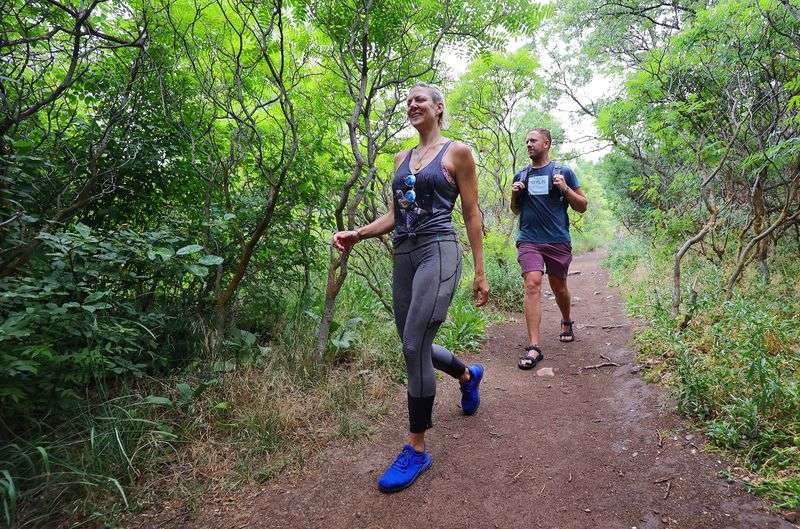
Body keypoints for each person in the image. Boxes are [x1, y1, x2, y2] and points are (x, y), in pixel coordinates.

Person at [333, 83, 490, 493]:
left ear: (438, 108)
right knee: (412, 341)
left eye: (420, 99)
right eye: (408, 101)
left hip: (439, 250)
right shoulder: (402, 158)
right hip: (404, 255)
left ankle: (416, 448)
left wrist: (479, 271)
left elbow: (472, 213)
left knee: (412, 346)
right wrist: (359, 233)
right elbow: (394, 213)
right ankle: (467, 374)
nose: (412, 105)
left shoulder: (457, 152)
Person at [510, 128, 587, 370]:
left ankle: (566, 320)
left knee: (558, 287)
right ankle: (534, 346)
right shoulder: (521, 175)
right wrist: (514, 196)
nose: (528, 144)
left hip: (557, 240)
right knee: (532, 282)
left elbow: (582, 206)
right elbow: (515, 210)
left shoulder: (563, 172)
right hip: (529, 239)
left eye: (532, 140)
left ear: (547, 143)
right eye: (526, 141)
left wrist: (564, 188)